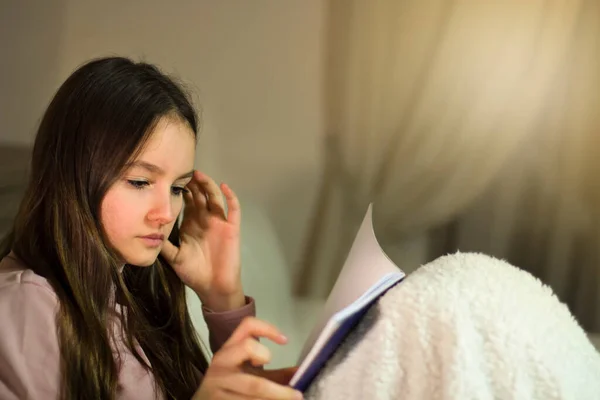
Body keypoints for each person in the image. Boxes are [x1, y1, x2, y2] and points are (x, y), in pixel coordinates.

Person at [0, 57, 303, 400]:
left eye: (177, 189)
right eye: (140, 181)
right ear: (74, 175)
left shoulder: (133, 296)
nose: (165, 214)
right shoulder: (24, 307)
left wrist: (222, 295)